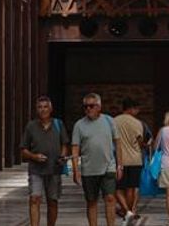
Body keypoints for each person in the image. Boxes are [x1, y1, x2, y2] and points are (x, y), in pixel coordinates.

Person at [71, 93, 122, 226]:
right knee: (91, 201)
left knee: (110, 198)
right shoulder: (79, 125)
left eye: (92, 106)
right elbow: (75, 148)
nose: (88, 109)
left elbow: (118, 143)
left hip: (108, 167)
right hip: (89, 169)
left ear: (99, 107)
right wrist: (76, 170)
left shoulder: (109, 121)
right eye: (85, 106)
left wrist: (119, 165)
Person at [20, 96, 66, 226]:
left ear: (50, 109)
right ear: (36, 110)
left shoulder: (58, 124)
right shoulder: (31, 126)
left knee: (52, 201)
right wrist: (34, 156)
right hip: (36, 170)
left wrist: (62, 156)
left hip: (54, 169)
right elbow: (23, 149)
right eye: (40, 107)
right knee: (34, 199)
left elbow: (64, 144)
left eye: (45, 107)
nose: (43, 110)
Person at [112, 99, 147, 225]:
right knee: (131, 188)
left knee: (117, 188)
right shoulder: (138, 123)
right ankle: (129, 212)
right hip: (135, 159)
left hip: (118, 159)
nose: (138, 112)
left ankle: (126, 212)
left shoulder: (114, 121)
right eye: (136, 109)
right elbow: (140, 142)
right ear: (131, 108)